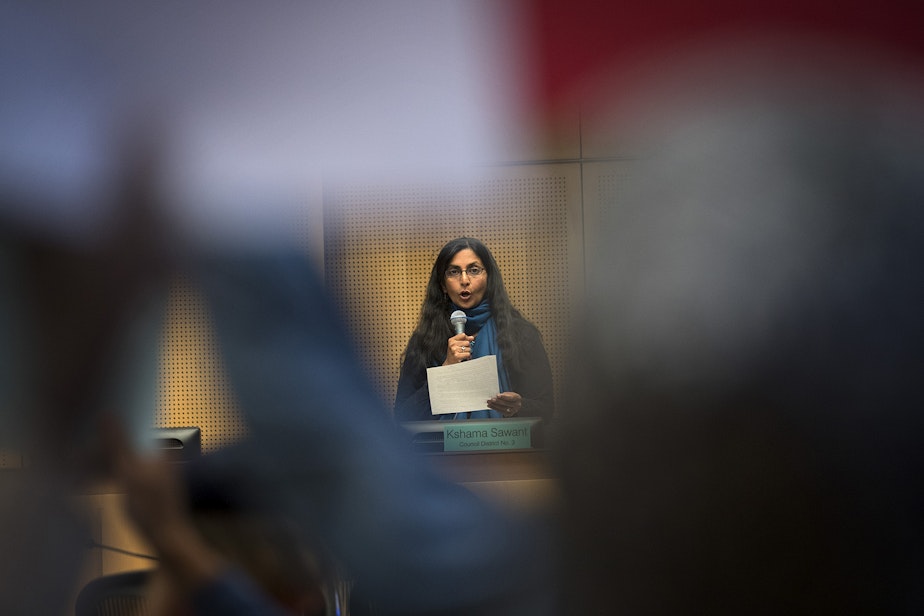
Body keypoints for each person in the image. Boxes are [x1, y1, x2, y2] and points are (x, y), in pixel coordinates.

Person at [394, 237, 554, 422]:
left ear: (489, 279)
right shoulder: (424, 341)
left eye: (474, 270)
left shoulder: (520, 334)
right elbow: (402, 416)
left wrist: (520, 406)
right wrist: (446, 371)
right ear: (443, 285)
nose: (464, 280)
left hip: (509, 448)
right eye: (454, 272)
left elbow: (546, 408)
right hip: (441, 448)